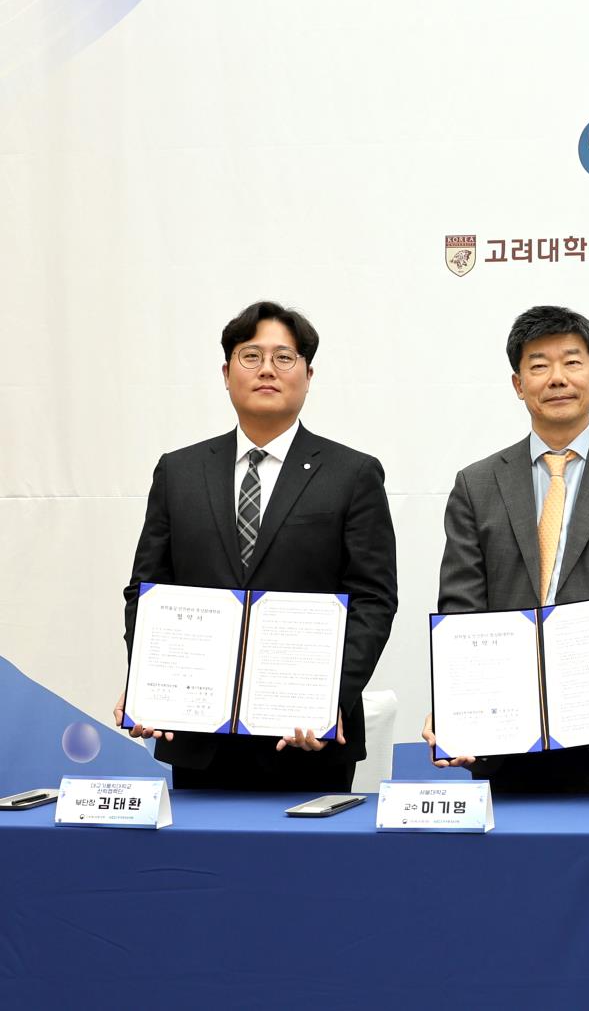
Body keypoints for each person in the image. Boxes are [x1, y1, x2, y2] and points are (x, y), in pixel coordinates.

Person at [118, 301, 398, 791]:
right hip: (198, 739)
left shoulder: (352, 474)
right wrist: (147, 687)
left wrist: (329, 699)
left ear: (308, 375)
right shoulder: (179, 472)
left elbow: (373, 600)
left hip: (306, 743)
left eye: (284, 358)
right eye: (251, 356)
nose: (267, 369)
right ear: (226, 374)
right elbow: (147, 590)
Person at [425, 306, 589, 793]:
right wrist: (456, 699)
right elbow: (461, 605)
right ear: (519, 384)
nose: (557, 378)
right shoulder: (477, 483)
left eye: (572, 362)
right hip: (502, 730)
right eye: (539, 365)